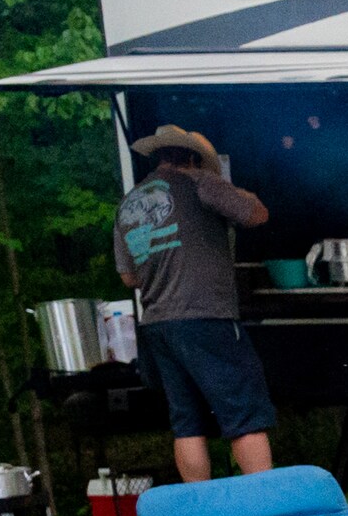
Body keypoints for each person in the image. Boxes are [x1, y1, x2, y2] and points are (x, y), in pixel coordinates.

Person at [112, 125, 280, 484]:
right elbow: (256, 215)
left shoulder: (129, 203)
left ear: (159, 157)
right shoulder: (202, 182)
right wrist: (241, 191)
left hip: (158, 324)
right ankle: (266, 501)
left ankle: (201, 507)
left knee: (187, 422)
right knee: (244, 414)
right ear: (191, 158)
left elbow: (129, 277)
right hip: (206, 317)